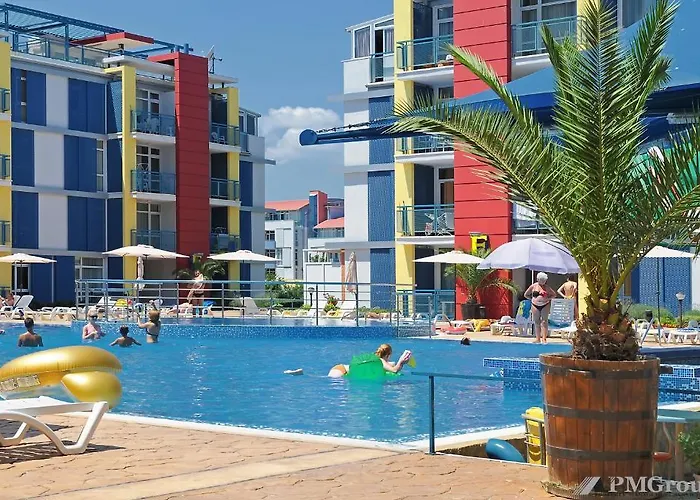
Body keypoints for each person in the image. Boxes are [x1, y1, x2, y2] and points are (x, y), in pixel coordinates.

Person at [524, 272, 557, 344]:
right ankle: (538, 338)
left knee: (544, 321)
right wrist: (532, 299)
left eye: (544, 280)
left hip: (545, 305)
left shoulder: (547, 287)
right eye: (542, 280)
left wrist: (548, 298)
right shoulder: (533, 286)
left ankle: (544, 338)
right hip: (535, 305)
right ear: (538, 279)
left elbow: (554, 295)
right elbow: (526, 294)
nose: (543, 282)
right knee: (537, 322)